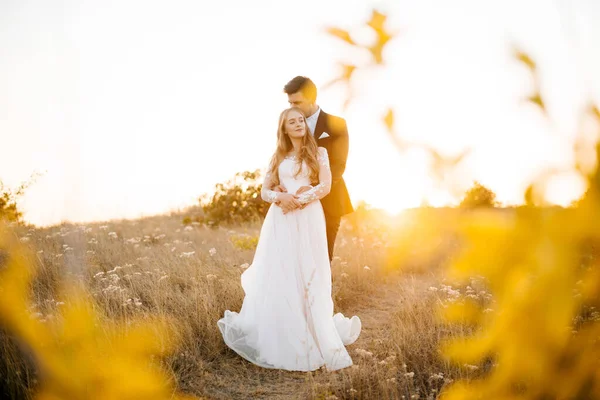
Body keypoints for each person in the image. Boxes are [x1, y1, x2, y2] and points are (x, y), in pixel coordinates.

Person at [217, 107, 361, 372]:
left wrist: (298, 199)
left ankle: (316, 332)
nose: (297, 125)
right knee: (283, 271)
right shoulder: (277, 156)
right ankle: (282, 333)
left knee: (310, 270)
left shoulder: (320, 152)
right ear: (283, 129)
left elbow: (326, 186)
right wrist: (280, 197)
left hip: (309, 217)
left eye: (300, 121)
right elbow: (264, 191)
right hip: (280, 220)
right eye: (291, 122)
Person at [279, 76, 354, 261]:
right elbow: (282, 159)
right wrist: (279, 186)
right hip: (294, 202)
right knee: (294, 258)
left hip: (329, 201)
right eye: (289, 103)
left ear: (312, 99)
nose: (292, 108)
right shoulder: (286, 126)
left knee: (322, 258)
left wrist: (312, 188)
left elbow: (339, 164)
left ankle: (321, 291)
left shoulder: (336, 124)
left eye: (297, 102)